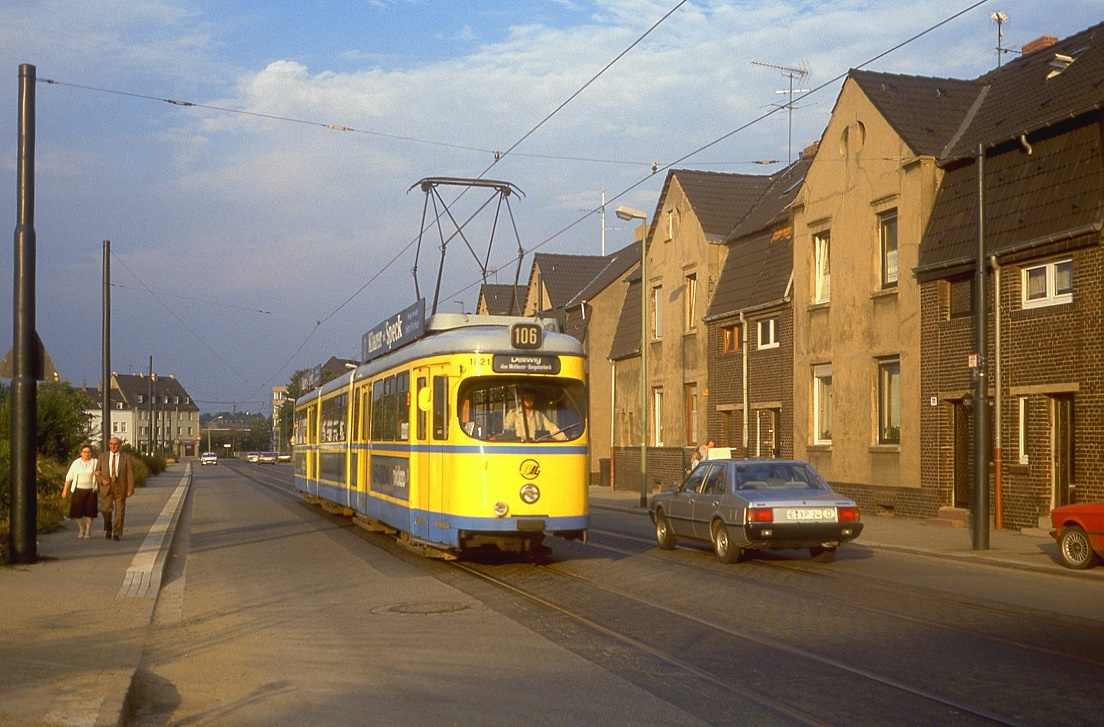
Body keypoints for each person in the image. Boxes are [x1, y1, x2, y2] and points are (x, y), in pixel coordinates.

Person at [97, 437, 135, 540]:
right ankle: (108, 527)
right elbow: (97, 472)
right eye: (111, 444)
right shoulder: (102, 456)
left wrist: (130, 489)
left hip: (120, 486)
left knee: (120, 511)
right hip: (107, 486)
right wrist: (102, 480)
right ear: (108, 445)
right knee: (105, 509)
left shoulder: (126, 457)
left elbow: (130, 475)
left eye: (115, 444)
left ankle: (117, 532)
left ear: (120, 445)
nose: (113, 446)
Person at [61, 444, 99, 539]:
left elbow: (101, 472)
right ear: (81, 453)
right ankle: (81, 529)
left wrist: (99, 473)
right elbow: (69, 477)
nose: (87, 454)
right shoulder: (76, 463)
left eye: (89, 452)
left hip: (91, 490)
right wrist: (65, 490)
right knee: (77, 512)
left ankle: (88, 531)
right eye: (85, 452)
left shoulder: (95, 462)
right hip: (78, 490)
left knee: (90, 512)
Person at [502, 390, 566, 441]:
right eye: (526, 398)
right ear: (519, 399)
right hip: (519, 447)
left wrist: (564, 438)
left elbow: (552, 428)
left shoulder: (539, 415)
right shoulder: (513, 414)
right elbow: (507, 429)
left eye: (531, 398)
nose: (529, 401)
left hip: (536, 447)